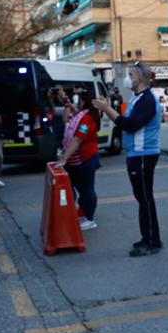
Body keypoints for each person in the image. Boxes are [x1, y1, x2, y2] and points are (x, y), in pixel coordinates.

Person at [95, 63, 164, 257]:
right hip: (138, 154)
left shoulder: (147, 100)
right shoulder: (139, 98)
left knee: (145, 199)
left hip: (143, 154)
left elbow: (130, 125)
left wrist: (107, 109)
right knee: (143, 198)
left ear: (140, 78)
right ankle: (148, 237)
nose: (127, 78)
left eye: (131, 75)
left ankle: (151, 241)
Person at [58, 87, 101, 231]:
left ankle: (89, 219)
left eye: (78, 100)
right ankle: (80, 213)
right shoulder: (80, 115)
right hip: (75, 160)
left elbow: (77, 140)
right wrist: (67, 106)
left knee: (87, 190)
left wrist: (64, 158)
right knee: (76, 188)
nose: (77, 102)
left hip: (85, 159)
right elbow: (66, 119)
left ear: (84, 101)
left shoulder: (88, 118)